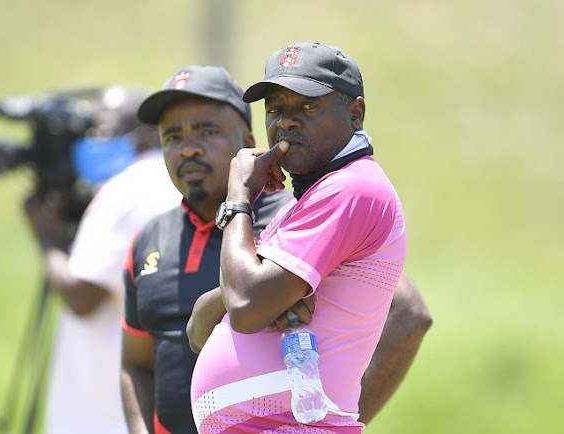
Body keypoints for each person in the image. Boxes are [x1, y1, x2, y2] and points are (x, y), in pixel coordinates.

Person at [122, 65, 431, 434]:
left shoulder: (296, 212)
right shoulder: (149, 240)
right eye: (172, 136)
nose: (188, 148)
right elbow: (140, 360)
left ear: (248, 139)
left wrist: (319, 420)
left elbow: (407, 311)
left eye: (207, 131)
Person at [25, 85, 181, 434]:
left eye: (101, 131)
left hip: (103, 412)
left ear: (140, 137)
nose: (91, 141)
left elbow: (82, 296)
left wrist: (47, 237)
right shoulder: (170, 183)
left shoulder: (127, 187)